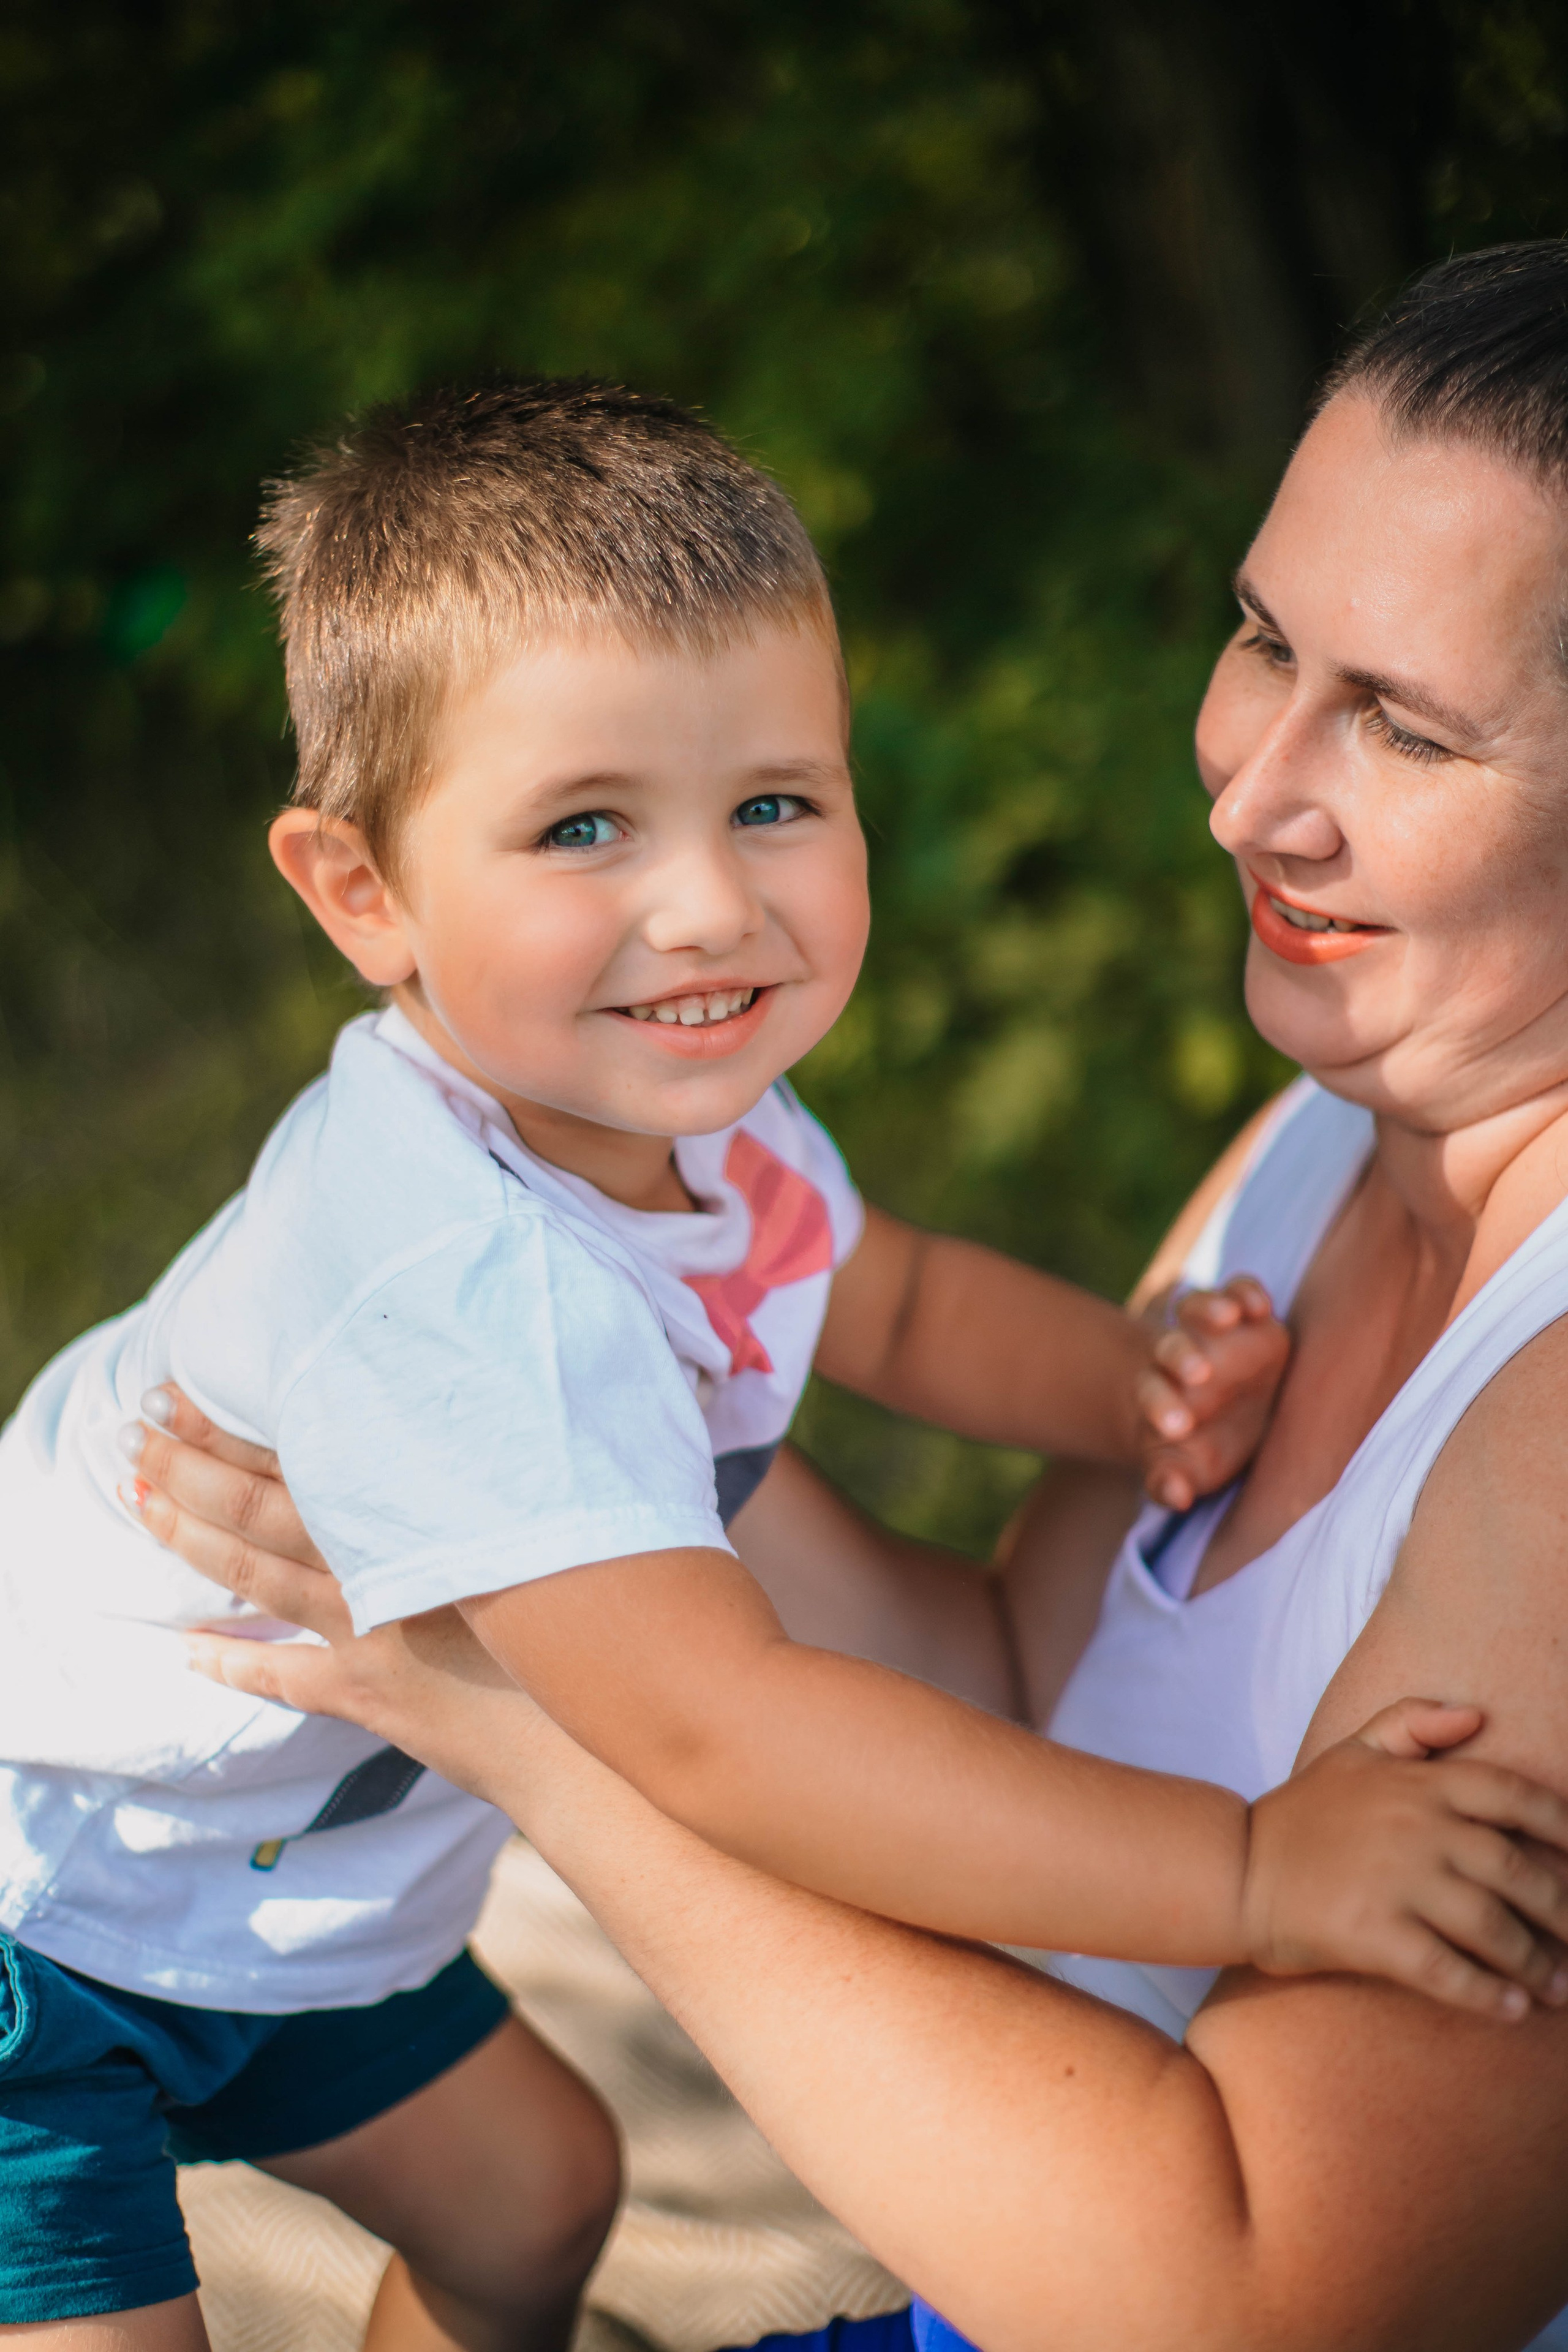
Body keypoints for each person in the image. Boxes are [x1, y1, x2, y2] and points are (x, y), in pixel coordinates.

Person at [141, 240, 1568, 2352]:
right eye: (1267, 641)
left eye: (1406, 729)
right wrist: (559, 1474)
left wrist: (522, 1712)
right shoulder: (1329, 1133)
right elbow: (1016, 1682)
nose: (1247, 792)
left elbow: (1260, 2303)